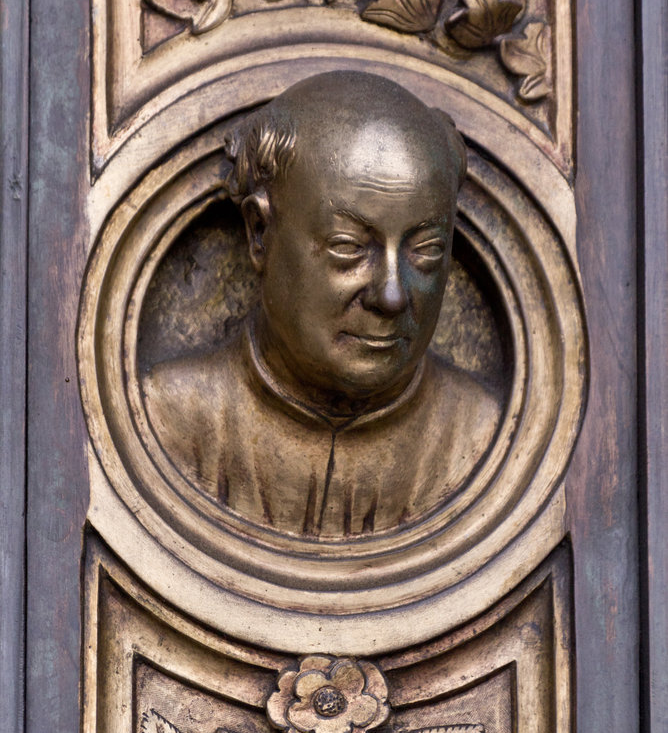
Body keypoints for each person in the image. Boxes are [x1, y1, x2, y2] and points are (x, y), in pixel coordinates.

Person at [142, 71, 502, 538]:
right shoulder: (169, 418)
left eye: (426, 251)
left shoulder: (481, 435)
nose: (392, 295)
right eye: (349, 248)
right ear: (259, 233)